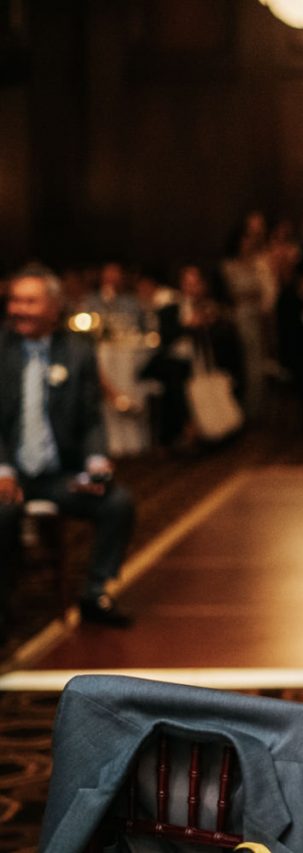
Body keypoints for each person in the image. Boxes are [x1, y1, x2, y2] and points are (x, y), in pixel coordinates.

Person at [0, 264, 136, 633]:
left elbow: (91, 417)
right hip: (9, 475)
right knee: (2, 513)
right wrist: (4, 471)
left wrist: (96, 461)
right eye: (14, 300)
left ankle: (95, 592)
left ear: (54, 307)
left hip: (61, 475)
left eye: (29, 301)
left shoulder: (77, 351)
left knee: (117, 503)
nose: (18, 309)